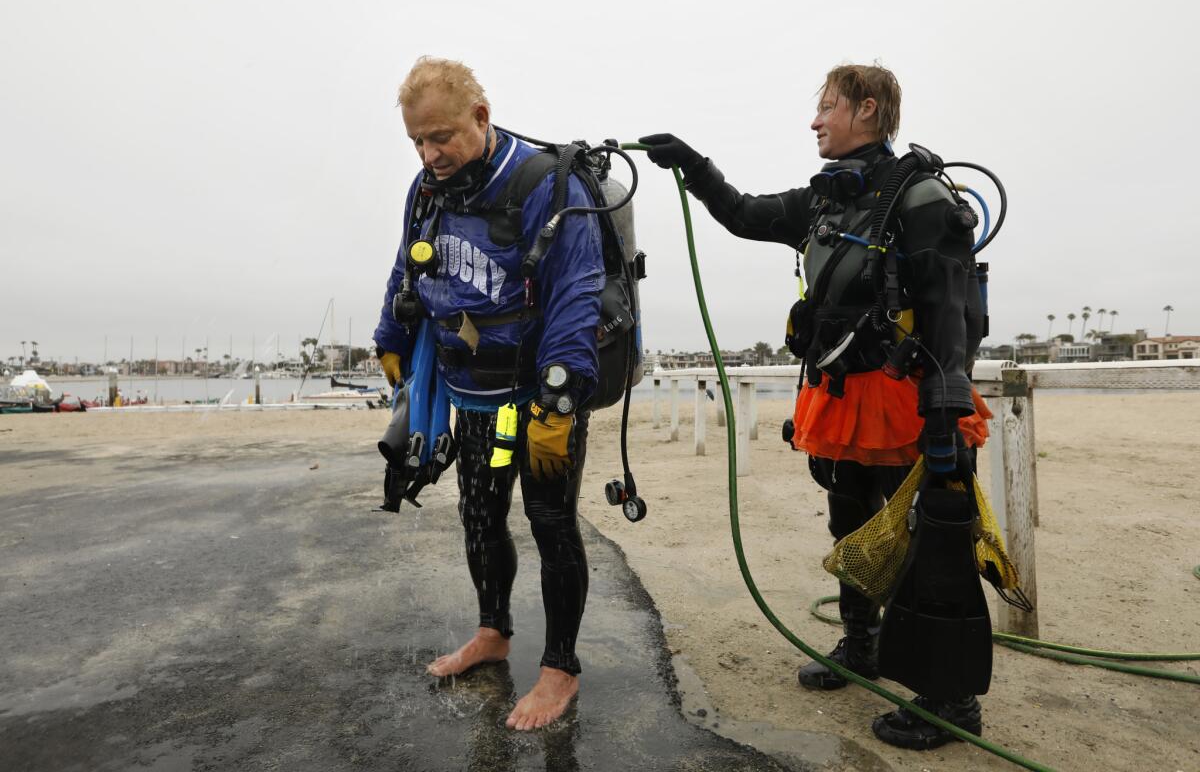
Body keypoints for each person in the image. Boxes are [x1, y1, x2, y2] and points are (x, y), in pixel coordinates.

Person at [639, 63, 992, 750]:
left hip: (905, 402)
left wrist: (946, 408)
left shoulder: (919, 199)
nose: (815, 120)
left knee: (926, 542)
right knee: (850, 526)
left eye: (827, 107)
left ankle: (949, 699)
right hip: (836, 399)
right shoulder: (822, 203)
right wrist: (690, 164)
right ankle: (861, 647)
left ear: (867, 110)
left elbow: (952, 313)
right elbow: (742, 213)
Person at [373, 57, 603, 731]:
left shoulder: (545, 184)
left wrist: (558, 403)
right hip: (471, 391)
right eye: (417, 140)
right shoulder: (427, 190)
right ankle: (493, 631)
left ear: (481, 116)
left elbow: (577, 292)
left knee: (551, 523)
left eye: (440, 136)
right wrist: (390, 334)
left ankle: (559, 668)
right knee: (479, 514)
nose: (429, 152)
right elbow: (405, 265)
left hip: (536, 396)